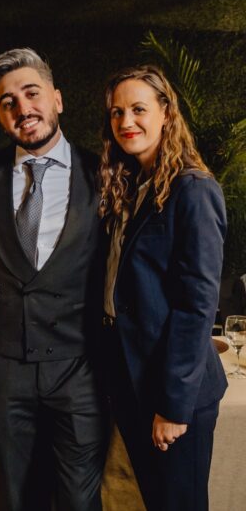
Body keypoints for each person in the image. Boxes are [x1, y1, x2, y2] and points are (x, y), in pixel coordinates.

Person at [0, 47, 108, 511]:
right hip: (6, 371)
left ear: (57, 99)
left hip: (80, 370)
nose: (22, 108)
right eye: (8, 102)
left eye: (31, 93)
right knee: (14, 497)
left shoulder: (105, 172)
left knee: (79, 502)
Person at [99, 65, 228, 510]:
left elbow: (197, 306)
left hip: (173, 392)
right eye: (117, 112)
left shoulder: (193, 190)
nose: (126, 122)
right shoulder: (132, 186)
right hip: (133, 382)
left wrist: (173, 406)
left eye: (138, 109)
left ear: (166, 113)